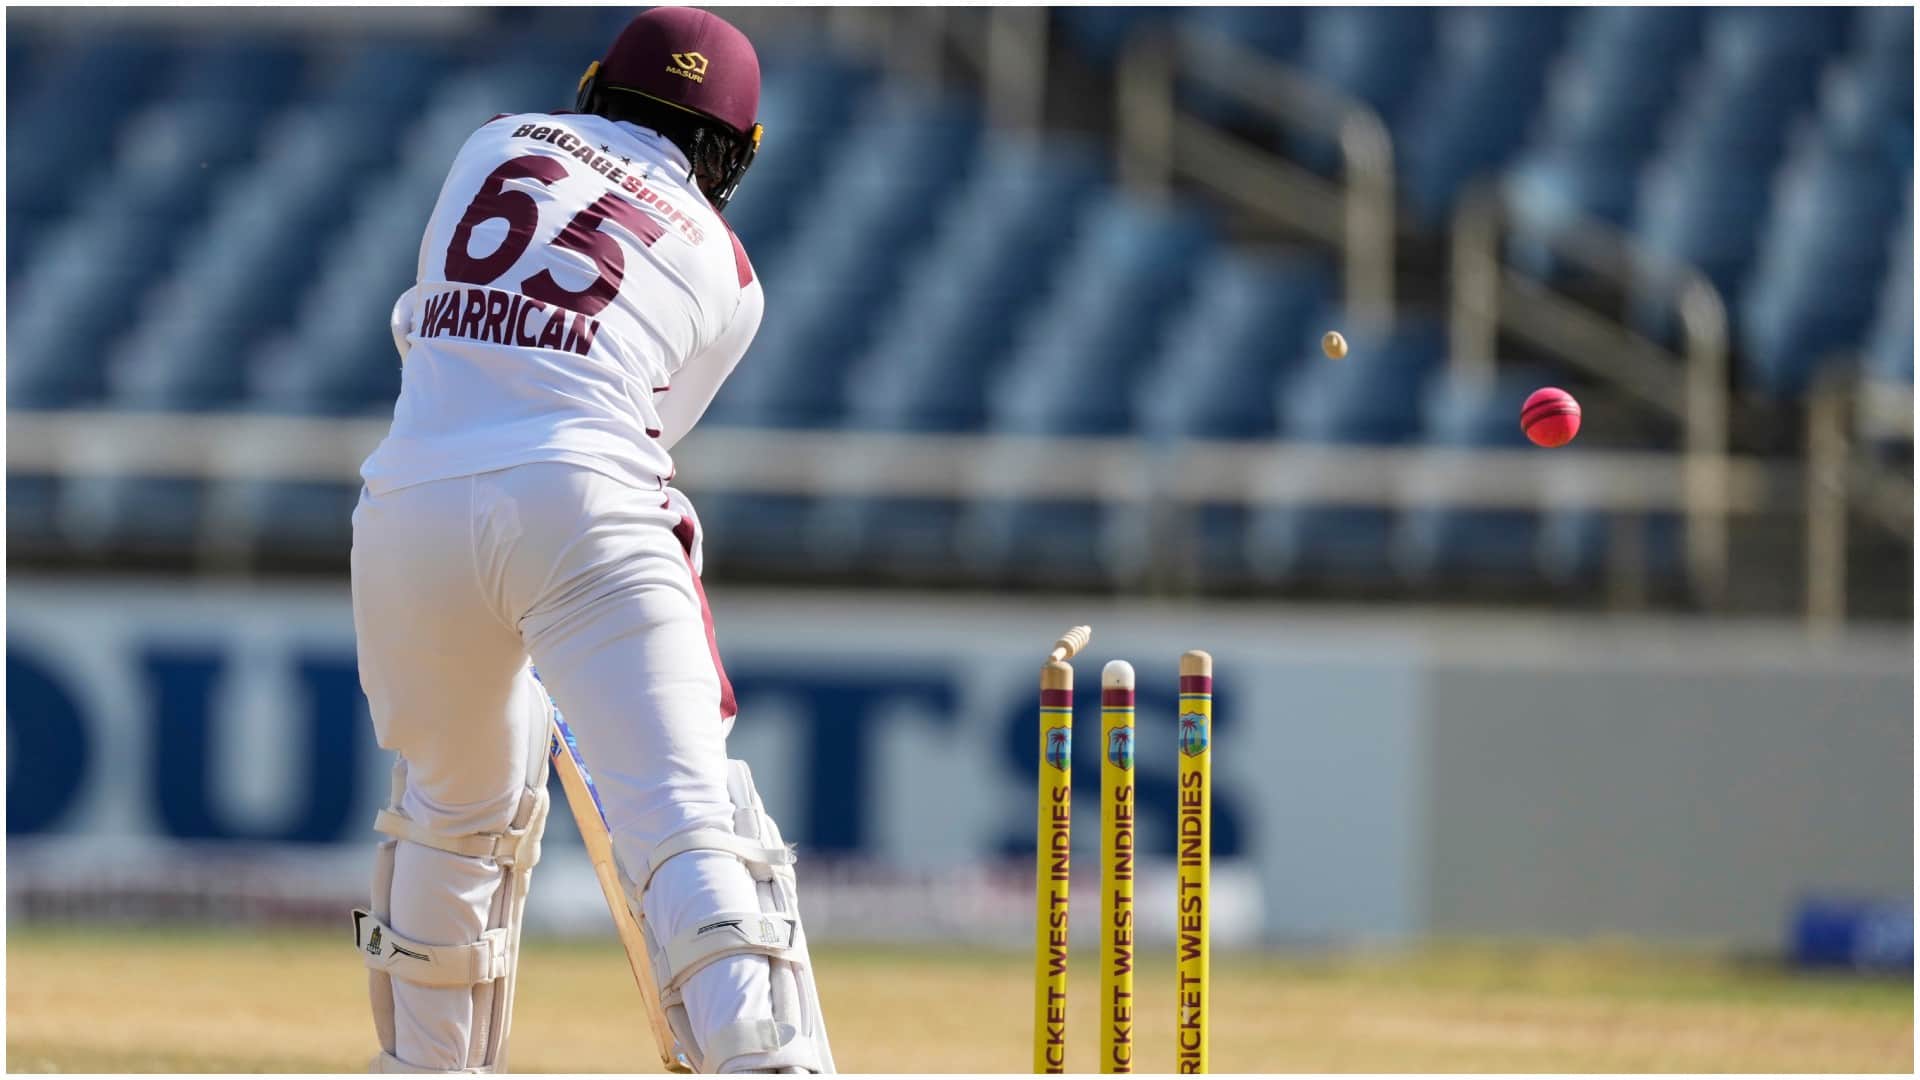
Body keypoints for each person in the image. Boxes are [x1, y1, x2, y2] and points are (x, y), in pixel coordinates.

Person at [347, 8, 834, 1073]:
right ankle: (762, 1058)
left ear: (591, 85)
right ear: (738, 154)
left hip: (408, 503)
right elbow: (651, 430)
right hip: (585, 499)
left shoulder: (493, 140)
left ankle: (424, 1065)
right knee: (683, 819)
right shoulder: (727, 268)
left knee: (450, 814)